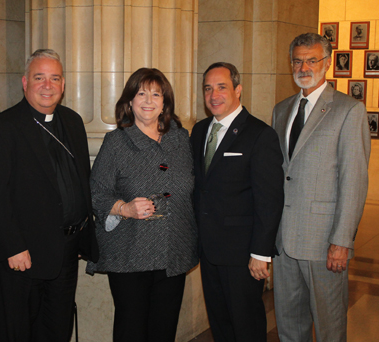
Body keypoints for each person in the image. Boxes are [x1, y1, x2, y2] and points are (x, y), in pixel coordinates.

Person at [0, 49, 98, 342]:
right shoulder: (2, 128)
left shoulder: (72, 121)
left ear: (64, 84)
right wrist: (13, 246)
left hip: (66, 252)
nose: (48, 85)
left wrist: (82, 233)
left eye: (54, 78)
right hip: (24, 257)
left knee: (56, 330)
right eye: (39, 77)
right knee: (20, 333)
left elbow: (81, 180)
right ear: (24, 82)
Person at [86, 68, 198, 342]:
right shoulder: (116, 142)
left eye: (156, 94)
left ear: (164, 103)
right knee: (131, 331)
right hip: (130, 255)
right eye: (141, 93)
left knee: (164, 330)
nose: (148, 100)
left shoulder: (180, 139)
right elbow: (94, 192)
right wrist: (124, 208)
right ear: (129, 102)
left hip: (174, 253)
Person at [272, 33, 371, 342]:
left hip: (324, 243)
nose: (304, 67)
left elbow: (353, 181)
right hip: (284, 240)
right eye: (298, 60)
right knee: (289, 325)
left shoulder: (348, 110)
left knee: (329, 328)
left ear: (327, 63)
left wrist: (341, 241)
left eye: (312, 60)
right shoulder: (281, 110)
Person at [190, 62, 284, 342]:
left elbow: (270, 199)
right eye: (208, 88)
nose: (213, 95)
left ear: (238, 90)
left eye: (221, 87)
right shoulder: (199, 130)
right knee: (220, 323)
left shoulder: (259, 134)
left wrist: (260, 253)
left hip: (243, 254)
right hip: (208, 249)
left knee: (246, 326)